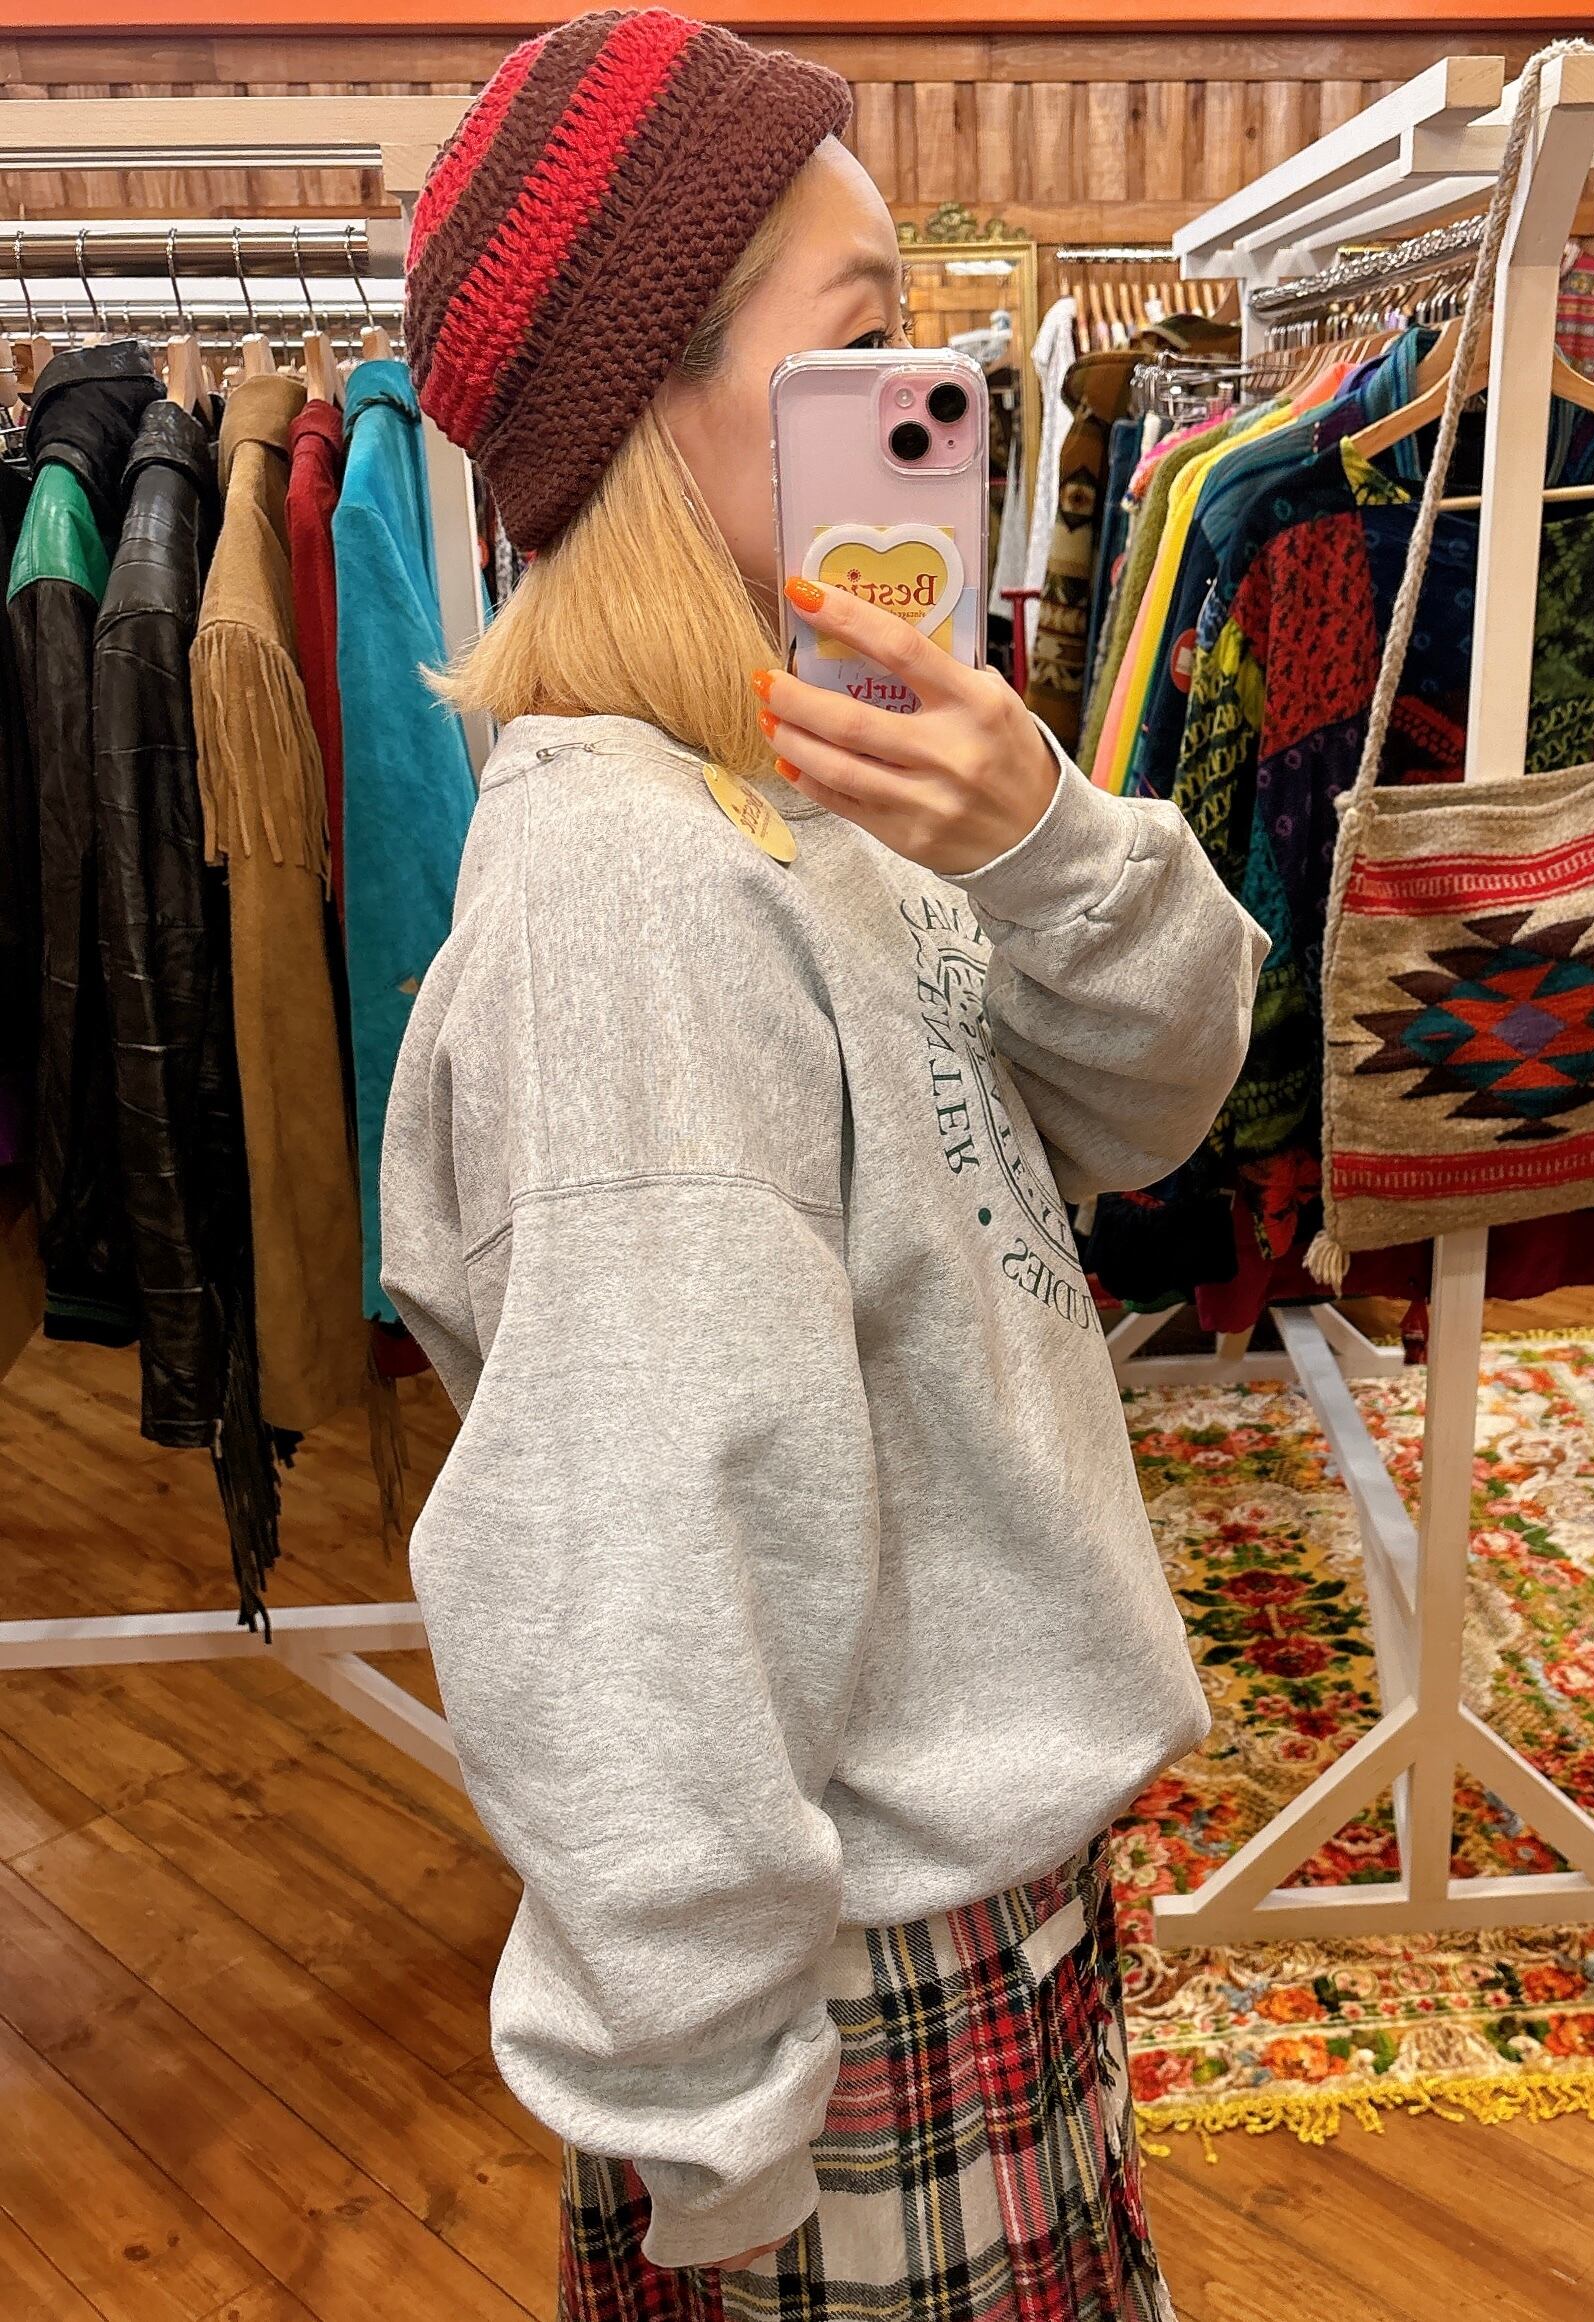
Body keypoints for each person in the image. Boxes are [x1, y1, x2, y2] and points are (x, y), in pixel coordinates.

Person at [381, 11, 1266, 2318]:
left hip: (964, 1918)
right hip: (846, 2014)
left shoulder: (821, 793)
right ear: (654, 410)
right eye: (861, 338)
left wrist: (1042, 837)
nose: (928, 393)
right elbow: (632, 1569)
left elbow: (1154, 1107)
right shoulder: (637, 892)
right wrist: (709, 2120)